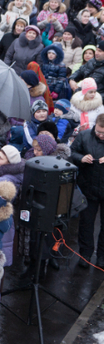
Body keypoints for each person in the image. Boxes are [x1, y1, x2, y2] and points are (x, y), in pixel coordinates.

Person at [70, 113, 104, 268]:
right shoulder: (84, 136)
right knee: (86, 223)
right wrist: (81, 158)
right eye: (98, 132)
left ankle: (102, 255)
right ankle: (85, 255)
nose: (101, 135)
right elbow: (72, 152)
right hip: (88, 187)